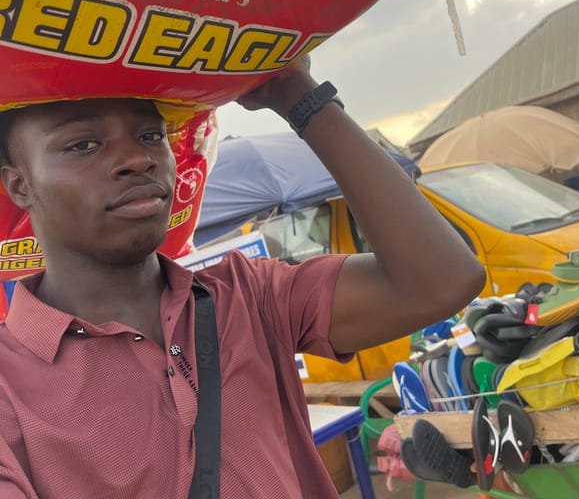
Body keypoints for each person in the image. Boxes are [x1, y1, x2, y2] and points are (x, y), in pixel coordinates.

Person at [0, 57, 485, 498]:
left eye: (151, 136)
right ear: (20, 184)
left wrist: (298, 95)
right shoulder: (9, 385)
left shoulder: (249, 294)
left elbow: (441, 281)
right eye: (83, 144)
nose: (138, 159)